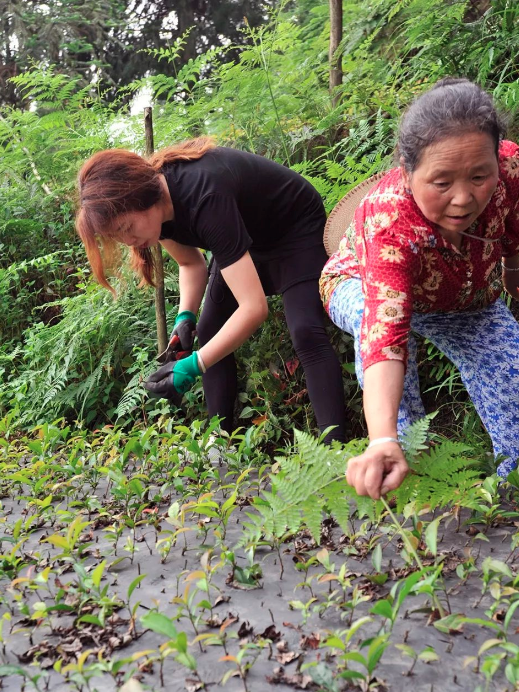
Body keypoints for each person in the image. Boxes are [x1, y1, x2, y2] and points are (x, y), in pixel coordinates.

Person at [320, 77, 519, 499]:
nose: (463, 199)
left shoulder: (512, 169)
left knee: (512, 378)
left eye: (479, 177)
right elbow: (384, 336)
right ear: (408, 173)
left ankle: (512, 490)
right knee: (380, 330)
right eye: (442, 183)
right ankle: (407, 464)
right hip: (363, 283)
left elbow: (515, 232)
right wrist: (381, 438)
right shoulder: (389, 218)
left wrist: (513, 276)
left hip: (466, 297)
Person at [76, 138, 346, 442]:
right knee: (208, 330)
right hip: (247, 237)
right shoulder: (157, 213)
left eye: (126, 228)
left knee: (305, 331)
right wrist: (184, 318)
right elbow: (191, 264)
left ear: (141, 197)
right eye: (118, 235)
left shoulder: (204, 195)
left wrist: (195, 364)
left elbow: (254, 308)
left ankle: (332, 449)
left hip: (295, 229)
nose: (128, 241)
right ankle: (222, 442)